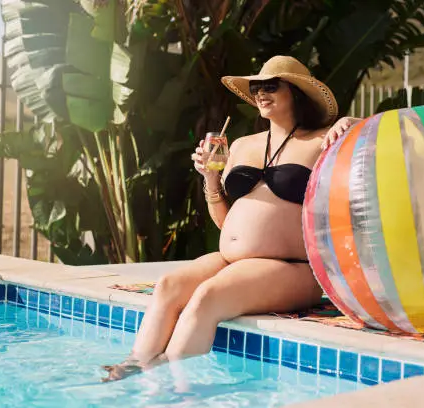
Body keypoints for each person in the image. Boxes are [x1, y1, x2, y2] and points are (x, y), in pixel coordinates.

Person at [102, 55, 361, 382]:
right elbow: (226, 222)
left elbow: (373, 145)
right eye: (256, 88)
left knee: (207, 298)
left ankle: (170, 386)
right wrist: (210, 178)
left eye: (270, 86)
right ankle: (133, 366)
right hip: (233, 259)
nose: (260, 94)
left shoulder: (322, 140)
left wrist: (352, 124)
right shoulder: (241, 145)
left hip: (292, 267)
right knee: (168, 286)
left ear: (295, 92)